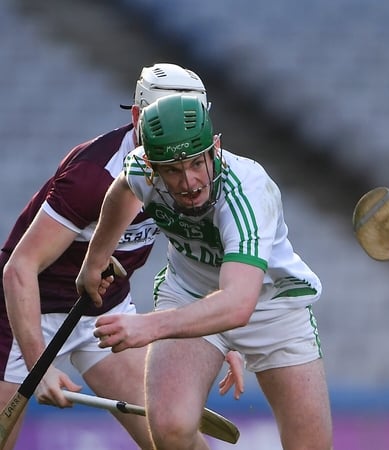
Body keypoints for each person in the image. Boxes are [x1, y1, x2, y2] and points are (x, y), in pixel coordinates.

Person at [0, 63, 243, 450]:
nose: (183, 152)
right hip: (23, 315)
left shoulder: (197, 173)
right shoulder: (93, 177)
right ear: (137, 118)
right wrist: (36, 364)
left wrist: (222, 336)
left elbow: (208, 260)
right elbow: (19, 269)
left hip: (104, 312)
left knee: (175, 438)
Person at [76, 93, 333, 450]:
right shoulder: (140, 170)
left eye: (198, 163)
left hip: (273, 307)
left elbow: (238, 305)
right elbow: (122, 189)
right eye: (173, 171)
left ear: (215, 148)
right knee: (170, 428)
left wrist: (147, 327)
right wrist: (95, 259)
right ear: (152, 166)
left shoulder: (246, 193)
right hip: (188, 293)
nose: (190, 182)